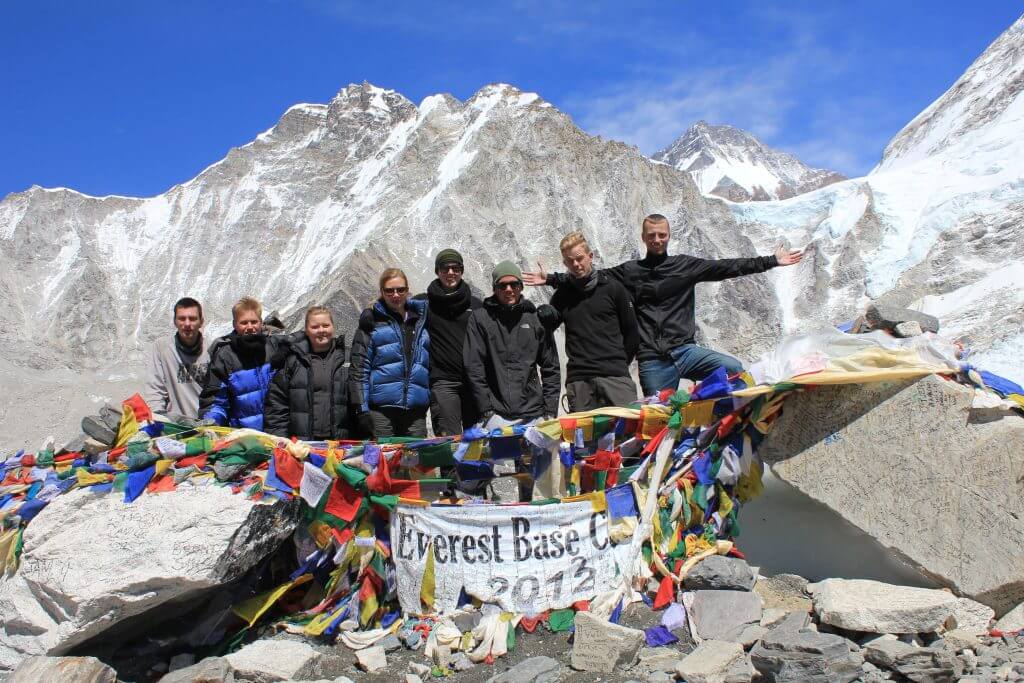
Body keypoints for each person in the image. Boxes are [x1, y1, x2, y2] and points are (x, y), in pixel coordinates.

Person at [525, 214, 802, 395]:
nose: (656, 239)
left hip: (686, 350)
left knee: (734, 370)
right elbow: (589, 275)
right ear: (644, 238)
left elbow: (726, 267)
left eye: (661, 235)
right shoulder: (630, 271)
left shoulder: (686, 266)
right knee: (655, 422)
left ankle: (709, 428)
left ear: (668, 235)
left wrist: (771, 261)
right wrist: (551, 278)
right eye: (651, 235)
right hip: (652, 360)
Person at [546, 232, 640, 412]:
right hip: (580, 383)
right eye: (569, 261)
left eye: (579, 258)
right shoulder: (562, 296)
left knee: (627, 436)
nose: (575, 264)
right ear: (565, 264)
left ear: (590, 256)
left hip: (616, 379)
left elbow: (632, 334)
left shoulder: (613, 289)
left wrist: (618, 363)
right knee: (583, 439)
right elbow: (548, 330)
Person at [463, 261, 560, 424]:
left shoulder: (536, 319)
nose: (509, 289)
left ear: (521, 287)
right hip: (496, 414)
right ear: (495, 289)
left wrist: (550, 412)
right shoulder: (481, 319)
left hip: (534, 414)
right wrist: (486, 410)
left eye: (514, 284)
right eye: (502, 285)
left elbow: (551, 366)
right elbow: (474, 366)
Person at [349, 269, 430, 438]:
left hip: (415, 413)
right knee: (383, 462)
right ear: (382, 292)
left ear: (408, 290)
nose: (396, 295)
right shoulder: (371, 324)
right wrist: (362, 409)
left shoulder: (420, 321)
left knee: (415, 463)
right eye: (389, 290)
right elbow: (359, 369)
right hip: (381, 413)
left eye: (400, 290)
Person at [413, 248, 483, 436]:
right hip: (443, 382)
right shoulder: (423, 303)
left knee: (475, 443)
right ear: (437, 271)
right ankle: (449, 468)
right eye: (445, 268)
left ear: (461, 271)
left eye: (455, 268)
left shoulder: (475, 305)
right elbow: (394, 307)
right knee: (449, 442)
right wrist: (371, 314)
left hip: (473, 382)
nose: (450, 272)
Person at [263, 306, 350, 441]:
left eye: (325, 325)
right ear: (306, 331)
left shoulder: (347, 359)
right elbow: (277, 404)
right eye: (315, 327)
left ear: (333, 327)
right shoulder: (293, 361)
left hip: (340, 444)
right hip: (300, 445)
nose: (321, 330)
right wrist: (280, 440)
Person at [199, 297, 279, 429]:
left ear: (261, 323)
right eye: (244, 323)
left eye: (254, 322)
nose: (250, 327)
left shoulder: (274, 348)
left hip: (278, 435)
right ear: (235, 324)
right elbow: (215, 401)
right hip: (244, 438)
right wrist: (212, 423)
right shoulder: (225, 356)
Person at [143, 296, 210, 418]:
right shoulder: (162, 348)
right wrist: (158, 418)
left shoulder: (211, 349)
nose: (187, 324)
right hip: (176, 425)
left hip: (207, 422)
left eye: (193, 319)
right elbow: (155, 389)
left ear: (201, 322)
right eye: (182, 319)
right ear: (175, 321)